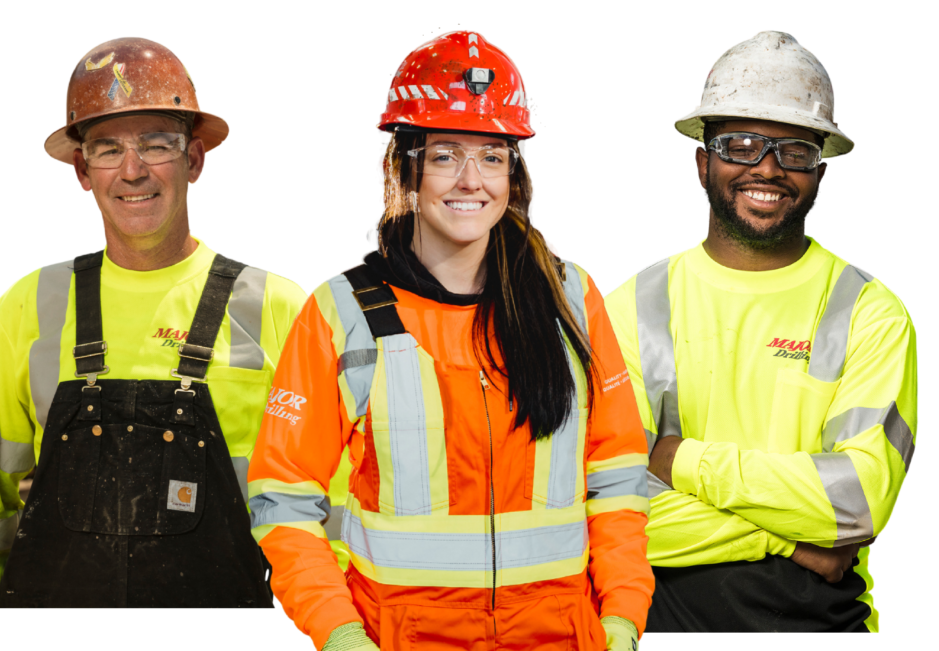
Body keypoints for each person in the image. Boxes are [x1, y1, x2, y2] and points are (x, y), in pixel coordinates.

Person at [247, 30, 654, 651]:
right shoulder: (341, 311)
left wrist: (623, 616)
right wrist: (337, 634)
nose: (472, 180)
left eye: (493, 156)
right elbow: (284, 501)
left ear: (514, 173)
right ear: (404, 163)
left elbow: (617, 475)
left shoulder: (568, 299)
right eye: (445, 154)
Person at [0, 37, 304, 643]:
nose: (132, 171)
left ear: (195, 159)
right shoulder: (27, 307)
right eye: (108, 149)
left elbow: (323, 517)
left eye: (157, 144)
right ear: (84, 169)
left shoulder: (279, 311)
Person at [604, 29, 917, 634]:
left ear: (821, 169)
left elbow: (860, 499)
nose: (767, 168)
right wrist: (791, 541)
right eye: (740, 144)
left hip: (825, 638)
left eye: (794, 151)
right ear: (701, 158)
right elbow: (609, 512)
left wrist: (677, 459)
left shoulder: (868, 312)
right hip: (660, 633)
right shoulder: (630, 308)